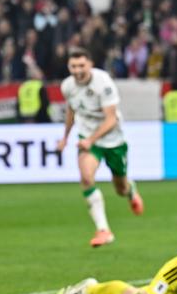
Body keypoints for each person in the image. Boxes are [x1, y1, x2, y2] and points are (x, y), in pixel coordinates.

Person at [57, 47, 144, 247]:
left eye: (81, 65)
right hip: (87, 137)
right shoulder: (68, 86)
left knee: (120, 188)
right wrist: (65, 138)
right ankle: (103, 229)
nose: (77, 70)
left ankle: (131, 191)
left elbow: (111, 119)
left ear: (90, 64)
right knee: (86, 177)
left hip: (113, 141)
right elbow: (71, 110)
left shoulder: (103, 83)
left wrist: (91, 139)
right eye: (73, 66)